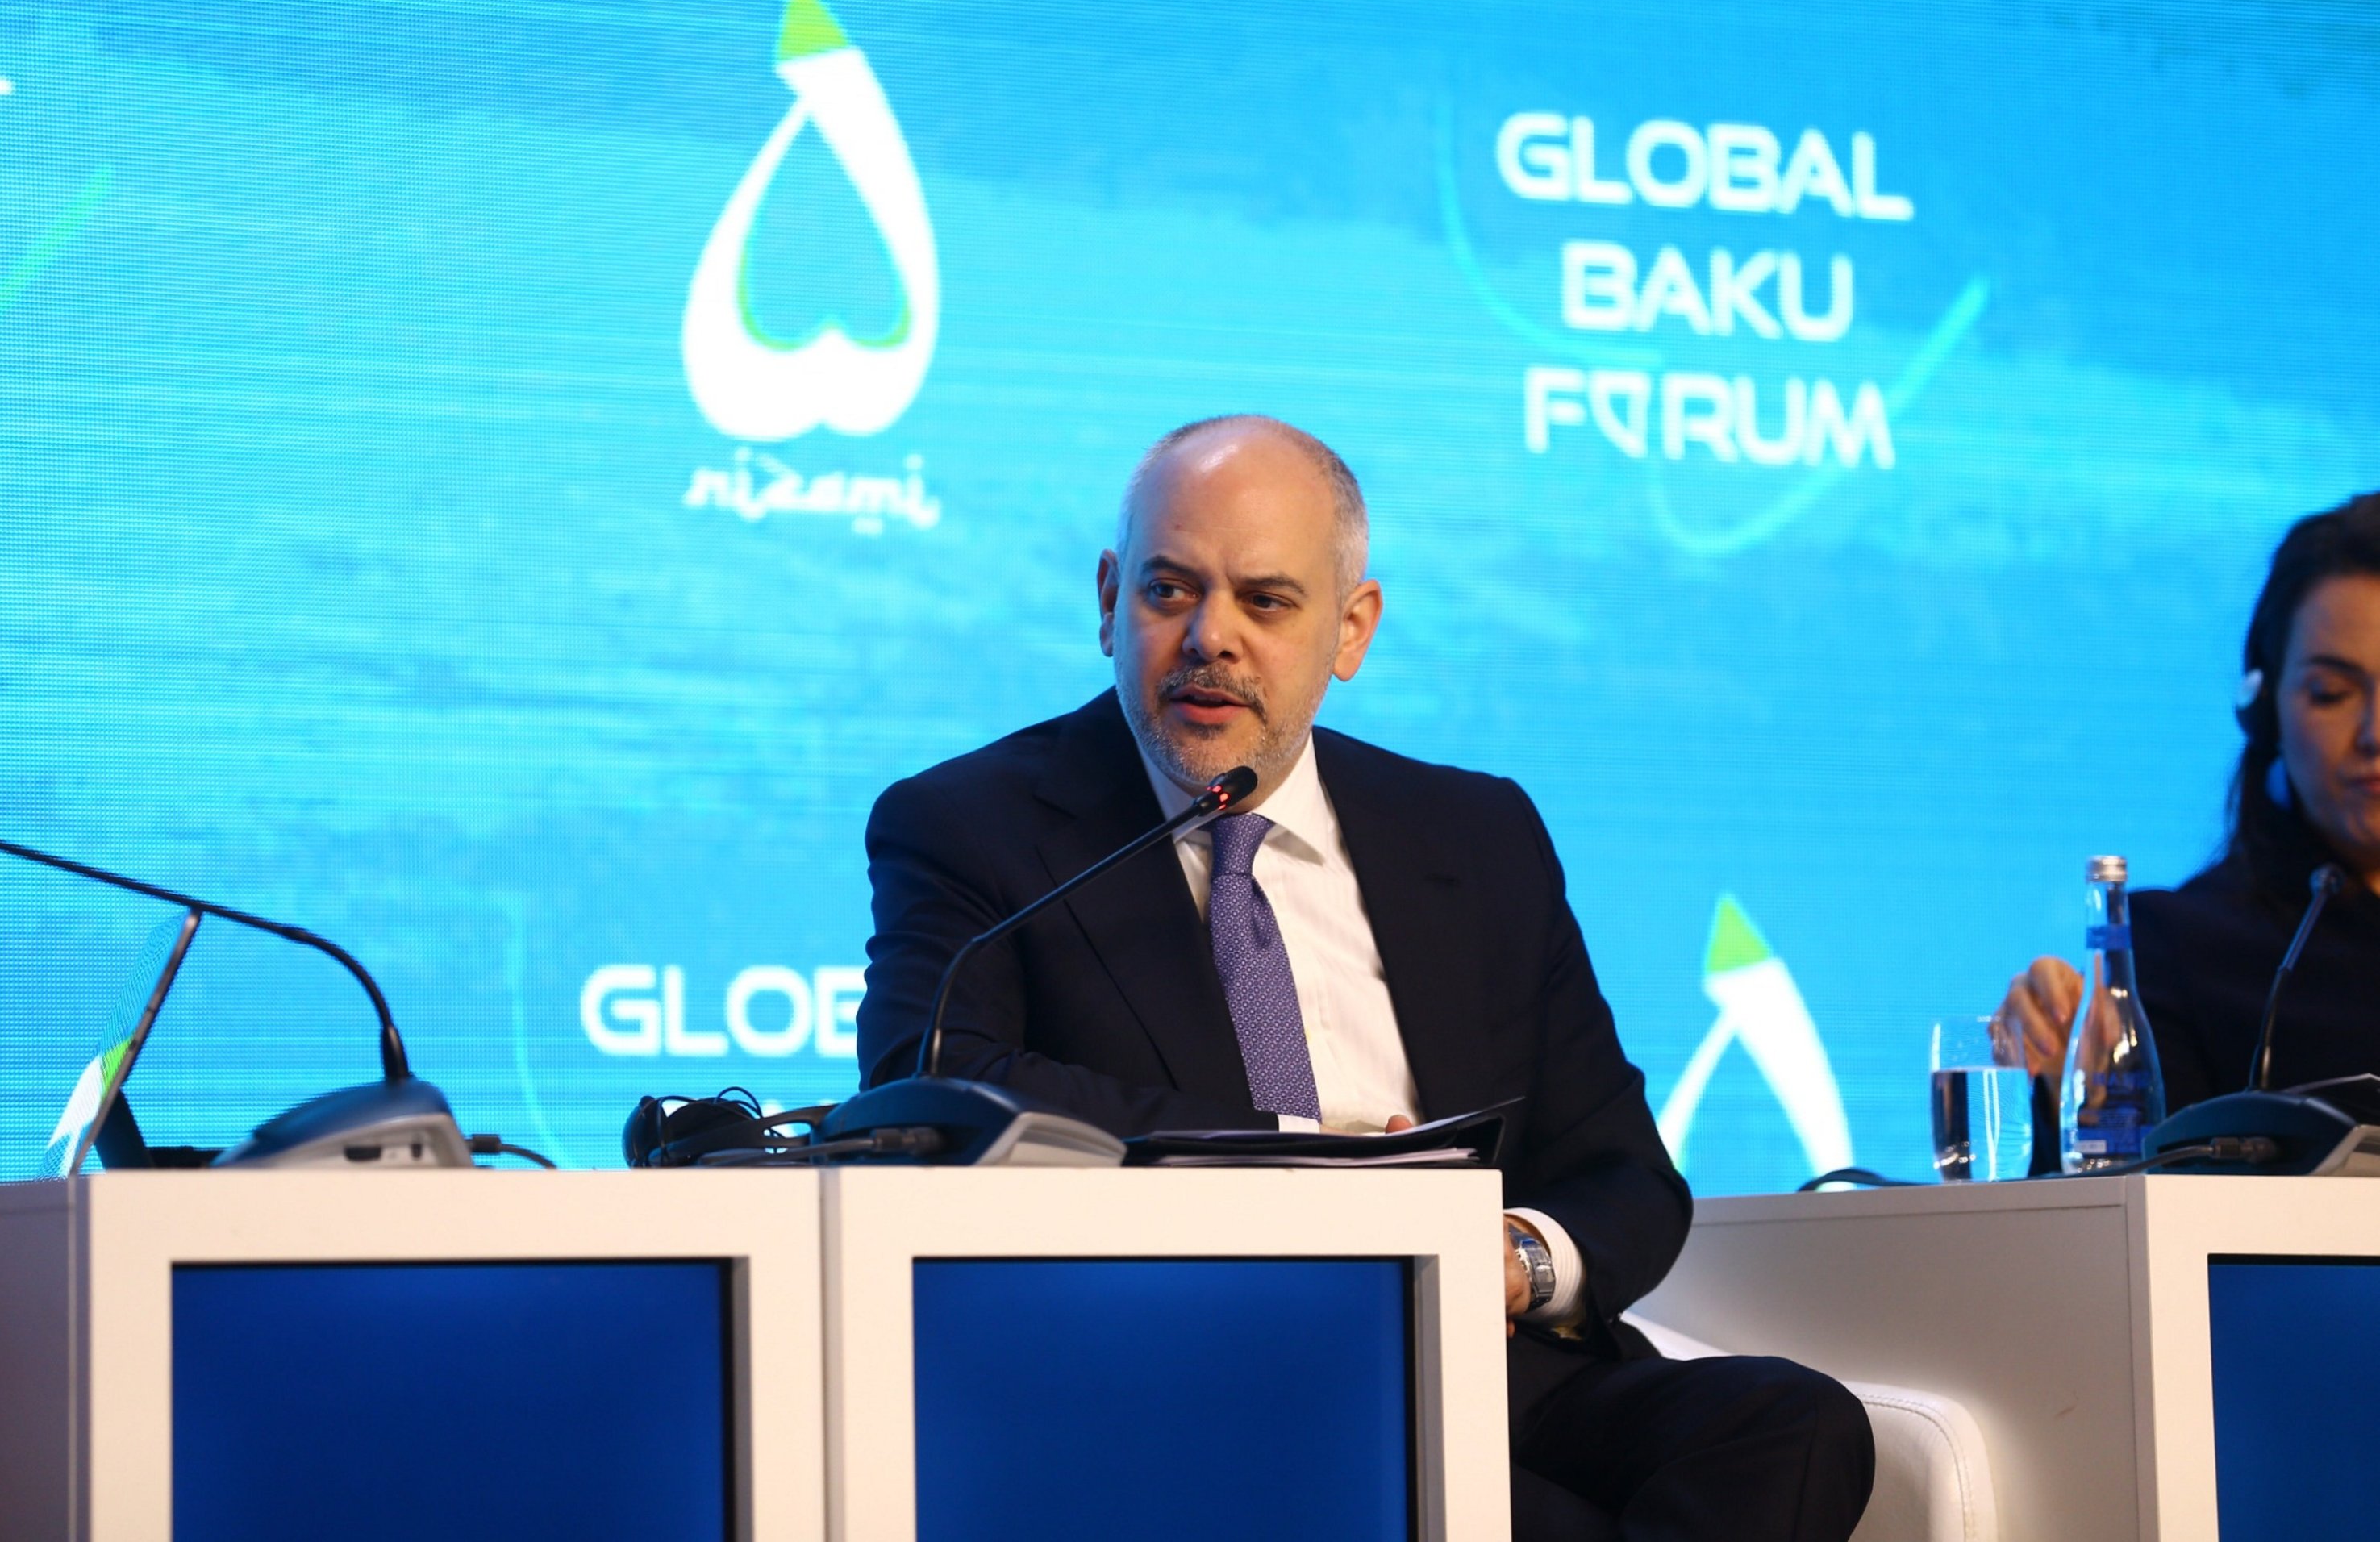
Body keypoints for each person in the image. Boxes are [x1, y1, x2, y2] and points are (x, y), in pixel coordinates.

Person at [857, 415, 1873, 1540]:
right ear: (1108, 600)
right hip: (1196, 1376)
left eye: (1266, 601)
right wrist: (1321, 1174)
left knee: (1796, 1423)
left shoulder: (1476, 834)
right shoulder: (974, 825)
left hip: (1483, 1357)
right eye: (1169, 590)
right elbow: (931, 1084)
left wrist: (1512, 1261)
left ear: (1351, 628)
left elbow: (1624, 1175)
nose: (1209, 637)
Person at [2000, 492, 2380, 1116]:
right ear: (2265, 711)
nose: (2374, 733)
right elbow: (2138, 1172)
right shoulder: (2173, 953)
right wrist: (2073, 1087)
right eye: (2332, 692)